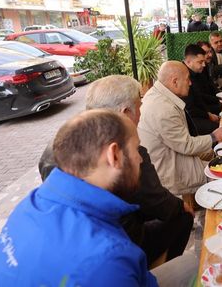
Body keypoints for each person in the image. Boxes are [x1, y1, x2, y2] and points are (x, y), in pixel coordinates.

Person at [0, 110, 198, 286]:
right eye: (135, 149)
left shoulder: (31, 203)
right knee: (199, 265)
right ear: (114, 155)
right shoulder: (108, 256)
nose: (140, 159)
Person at [37, 75, 193, 266]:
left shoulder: (58, 144)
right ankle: (156, 268)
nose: (141, 113)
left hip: (80, 241)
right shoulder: (126, 152)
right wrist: (180, 207)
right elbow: (157, 202)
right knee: (182, 216)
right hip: (124, 242)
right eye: (140, 105)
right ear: (126, 112)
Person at [138, 61, 222, 195]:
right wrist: (214, 136)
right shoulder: (163, 109)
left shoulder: (158, 94)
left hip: (176, 156)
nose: (190, 83)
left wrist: (212, 147)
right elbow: (186, 146)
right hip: (172, 173)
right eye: (187, 79)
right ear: (174, 81)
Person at [183, 44, 220, 135]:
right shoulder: (183, 75)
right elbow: (190, 108)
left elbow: (199, 97)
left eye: (204, 61)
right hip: (188, 119)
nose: (204, 65)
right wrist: (208, 115)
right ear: (188, 61)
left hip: (199, 111)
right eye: (200, 62)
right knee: (219, 127)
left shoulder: (196, 72)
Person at [196, 40, 222, 114]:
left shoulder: (206, 66)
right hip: (204, 110)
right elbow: (200, 96)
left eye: (210, 52)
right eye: (206, 52)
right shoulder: (197, 70)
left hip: (211, 103)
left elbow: (211, 85)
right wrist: (218, 100)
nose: (210, 55)